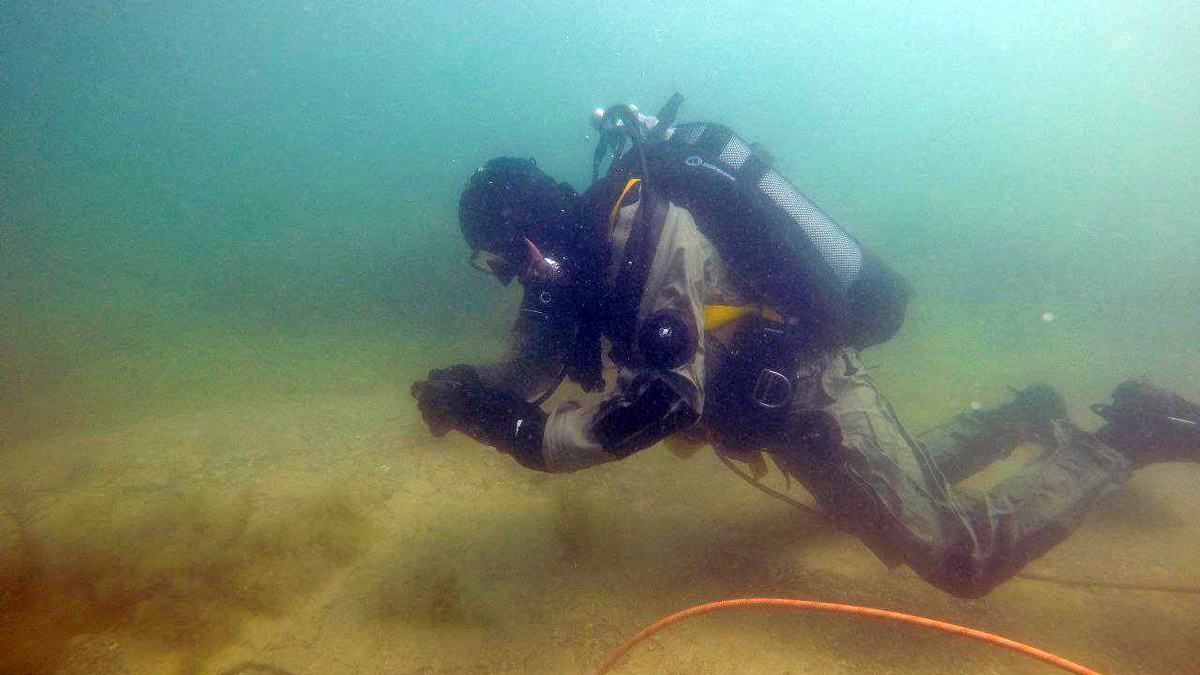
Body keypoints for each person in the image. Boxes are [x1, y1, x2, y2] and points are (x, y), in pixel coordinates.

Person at [410, 103, 1200, 598]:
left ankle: (1124, 437)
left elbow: (660, 403)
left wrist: (519, 434)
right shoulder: (580, 261)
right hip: (776, 400)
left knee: (960, 559)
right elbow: (529, 362)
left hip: (813, 391)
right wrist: (466, 389)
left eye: (499, 262)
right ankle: (1023, 415)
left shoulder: (643, 232)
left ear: (525, 239)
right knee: (879, 499)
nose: (508, 279)